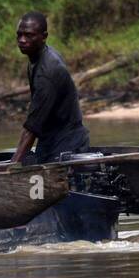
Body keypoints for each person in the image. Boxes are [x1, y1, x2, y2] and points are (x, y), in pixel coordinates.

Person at [10, 11, 90, 164]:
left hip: (67, 146)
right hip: (50, 142)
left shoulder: (48, 71)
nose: (22, 40)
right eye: (19, 35)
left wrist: (13, 167)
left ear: (44, 36)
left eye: (29, 35)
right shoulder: (37, 58)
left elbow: (32, 126)